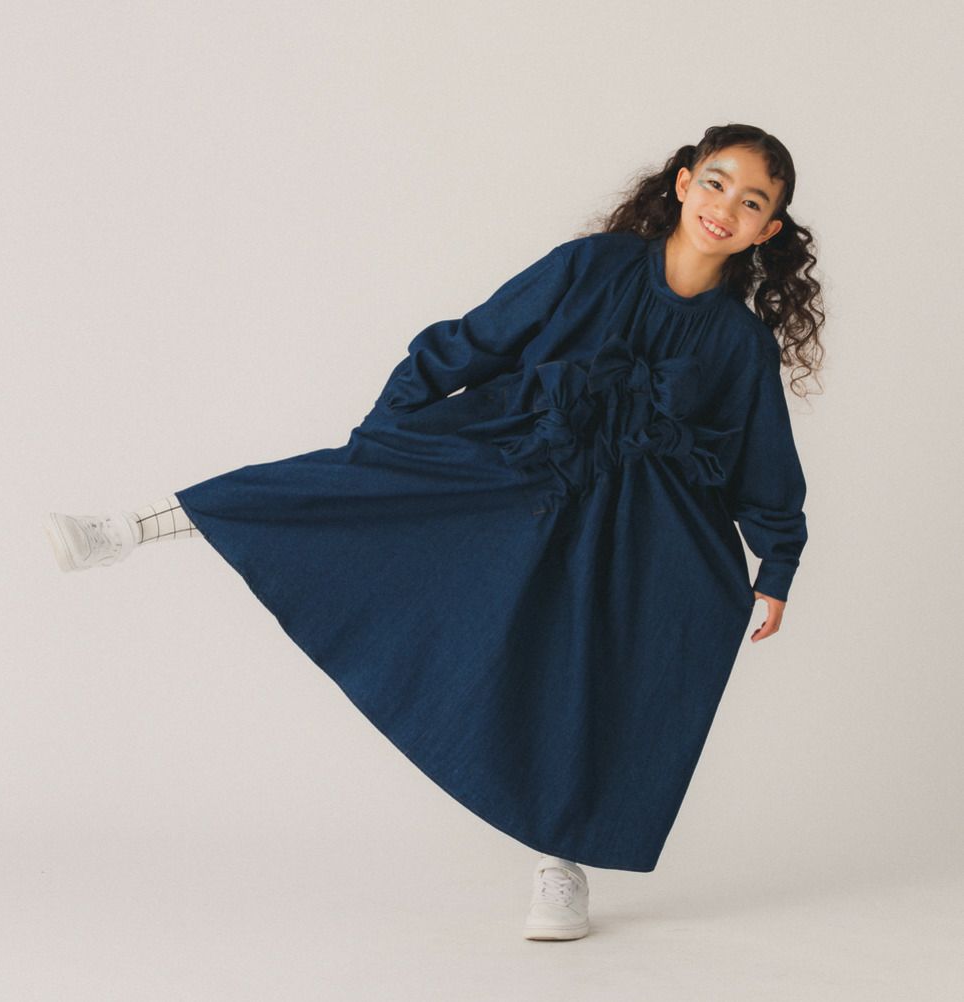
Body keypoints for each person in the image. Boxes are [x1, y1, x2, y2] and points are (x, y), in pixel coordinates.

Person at [43, 123, 823, 942]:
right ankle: (133, 526)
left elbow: (762, 459)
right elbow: (479, 338)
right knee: (345, 493)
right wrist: (392, 425)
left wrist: (777, 564)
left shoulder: (740, 343)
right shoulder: (590, 266)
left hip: (641, 529)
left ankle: (562, 865)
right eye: (716, 183)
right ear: (684, 180)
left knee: (597, 676)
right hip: (521, 464)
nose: (725, 207)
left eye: (752, 202)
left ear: (767, 230)